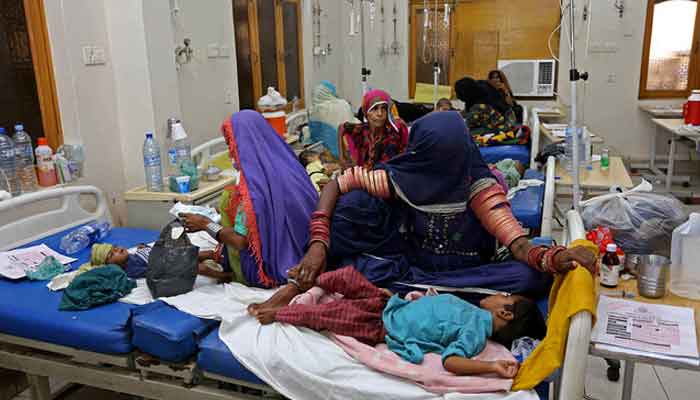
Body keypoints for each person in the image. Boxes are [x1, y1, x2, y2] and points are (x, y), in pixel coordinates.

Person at [248, 112, 596, 319]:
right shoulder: (405, 176)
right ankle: (339, 277)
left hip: (459, 269)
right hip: (406, 259)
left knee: (530, 278)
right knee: (354, 207)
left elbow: (518, 245)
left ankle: (390, 287)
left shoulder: (477, 186)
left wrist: (555, 256)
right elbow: (336, 184)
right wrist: (318, 245)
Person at [265, 266, 544, 378]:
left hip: (379, 326)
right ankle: (301, 284)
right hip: (387, 303)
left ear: (505, 314)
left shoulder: (475, 334)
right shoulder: (472, 310)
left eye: (505, 296)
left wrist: (491, 365)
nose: (498, 294)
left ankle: (277, 313)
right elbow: (433, 312)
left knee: (326, 315)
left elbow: (451, 361)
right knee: (346, 276)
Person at [180, 110, 318, 288]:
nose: (230, 152)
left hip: (270, 268)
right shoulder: (292, 166)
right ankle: (214, 256)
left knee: (228, 198)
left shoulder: (253, 186)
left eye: (232, 144)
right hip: (309, 258)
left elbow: (241, 241)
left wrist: (205, 224)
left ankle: (229, 271)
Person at [339, 89, 409, 169]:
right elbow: (342, 128)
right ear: (366, 113)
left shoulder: (393, 136)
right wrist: (342, 158)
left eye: (384, 108)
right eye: (375, 109)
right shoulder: (362, 130)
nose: (380, 113)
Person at [455, 77, 527, 147]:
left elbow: (467, 126)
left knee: (466, 135)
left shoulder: (478, 107)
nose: (457, 97)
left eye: (458, 93)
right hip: (508, 119)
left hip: (504, 127)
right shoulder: (480, 89)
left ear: (466, 93)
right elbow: (467, 113)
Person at [307, 81, 357, 158]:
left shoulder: (313, 111)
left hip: (326, 154)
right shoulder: (343, 104)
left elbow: (314, 136)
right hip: (349, 151)